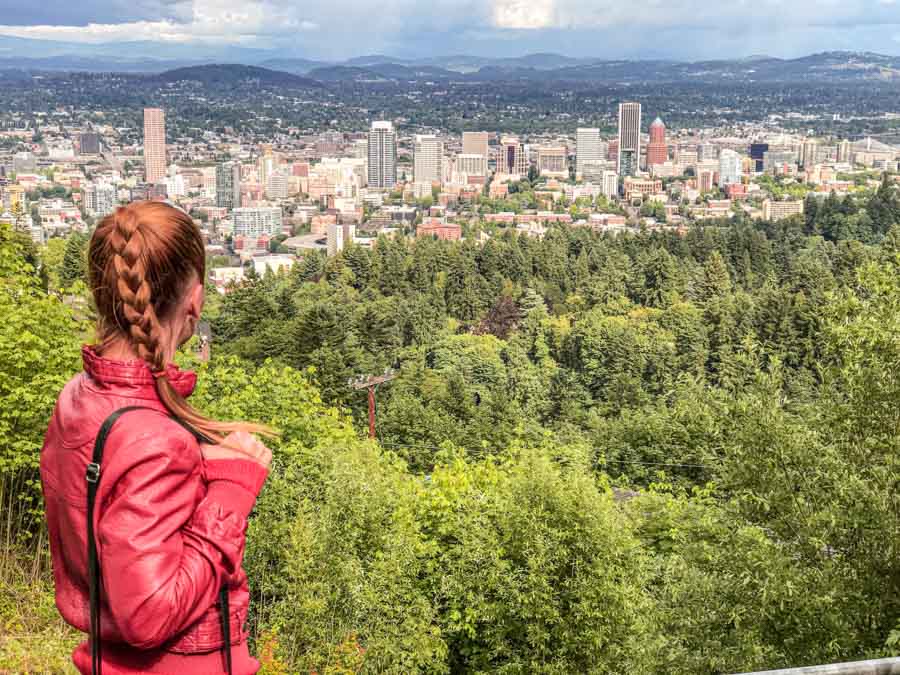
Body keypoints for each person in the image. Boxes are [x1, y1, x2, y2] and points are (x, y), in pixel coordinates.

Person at [40, 201, 274, 674]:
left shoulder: (79, 398)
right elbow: (148, 614)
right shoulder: (155, 438)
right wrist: (230, 492)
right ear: (195, 300)